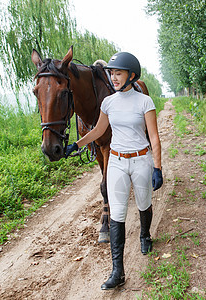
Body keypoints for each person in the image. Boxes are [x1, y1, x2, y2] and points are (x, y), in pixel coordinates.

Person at [65, 51, 163, 290]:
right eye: (111, 73)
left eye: (118, 73)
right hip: (117, 162)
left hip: (141, 159)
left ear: (131, 75)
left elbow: (154, 137)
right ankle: (117, 271)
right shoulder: (108, 102)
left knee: (143, 203)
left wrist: (157, 167)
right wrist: (76, 145)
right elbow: (98, 131)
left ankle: (145, 235)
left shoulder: (144, 102)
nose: (114, 78)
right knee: (117, 213)